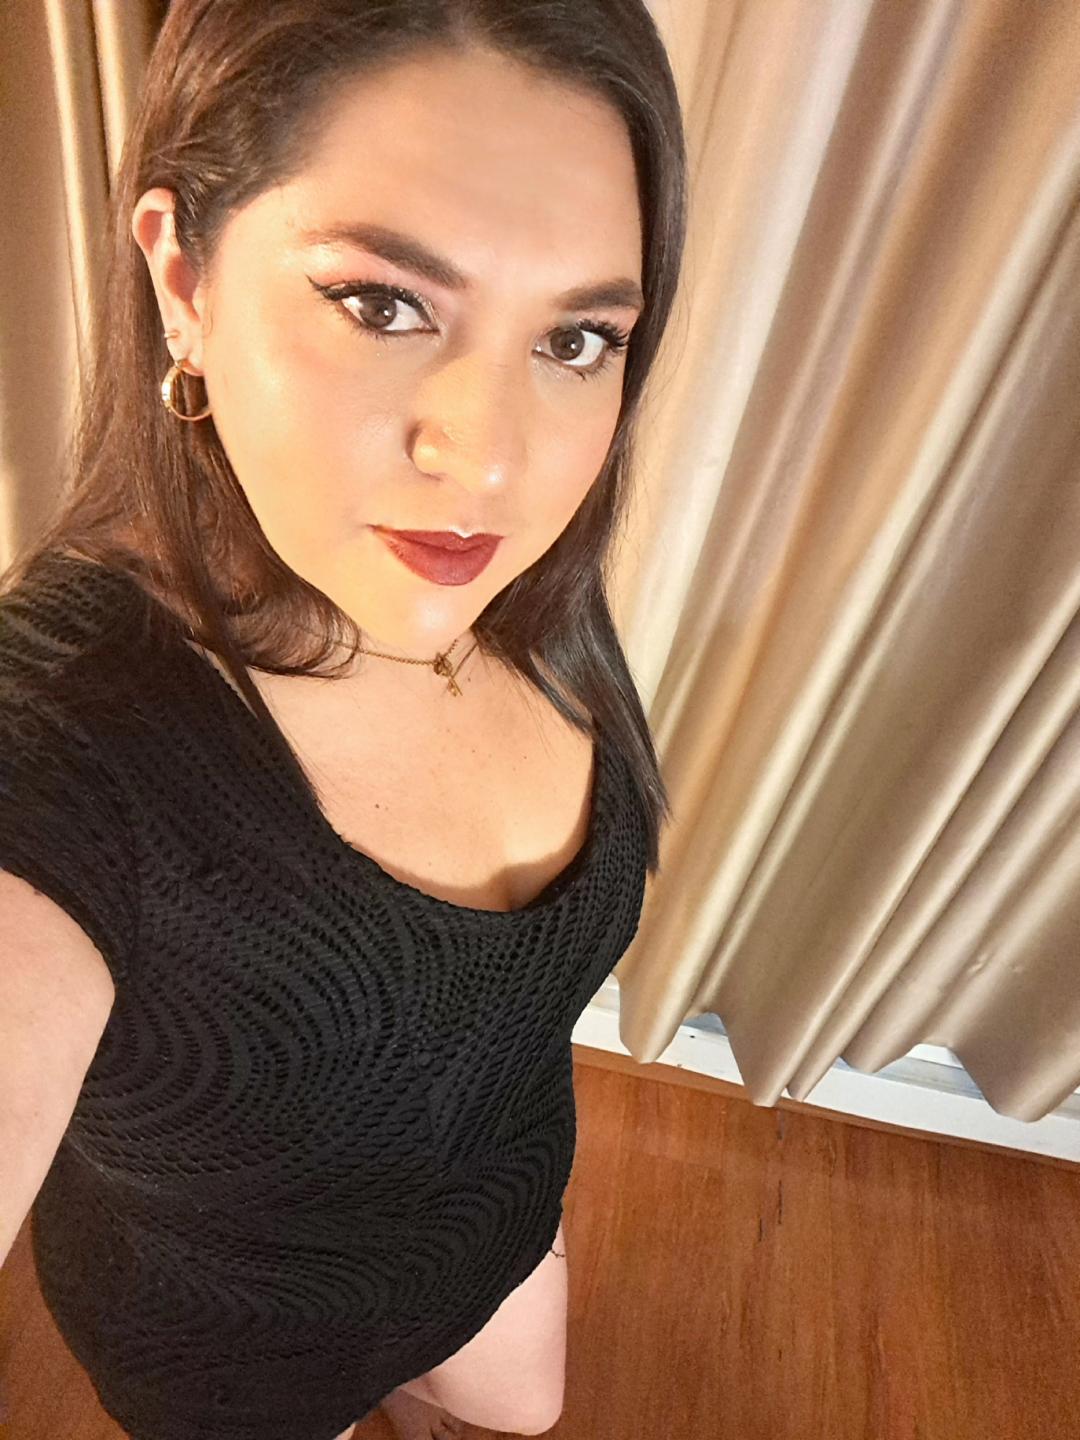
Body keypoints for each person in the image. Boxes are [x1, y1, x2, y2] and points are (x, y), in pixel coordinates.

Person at [0, 3, 686, 1438]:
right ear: (183, 278)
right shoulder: (62, 739)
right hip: (237, 1349)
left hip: (500, 1223)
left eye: (575, 338)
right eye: (382, 304)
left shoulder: (512, 586)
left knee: (528, 1416)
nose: (491, 461)